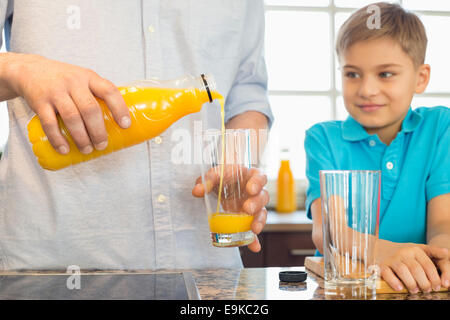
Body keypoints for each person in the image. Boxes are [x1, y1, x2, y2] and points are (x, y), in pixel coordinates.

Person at [0, 1, 273, 270]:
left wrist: (235, 170)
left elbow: (247, 98)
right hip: (57, 265)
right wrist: (20, 70)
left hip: (205, 265)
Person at [305, 2, 450, 293]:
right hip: (345, 289)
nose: (367, 89)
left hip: (414, 286)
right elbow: (329, 233)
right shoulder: (322, 139)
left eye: (385, 74)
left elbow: (443, 223)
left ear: (420, 78)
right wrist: (384, 253)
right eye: (352, 74)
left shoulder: (440, 127)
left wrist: (443, 256)